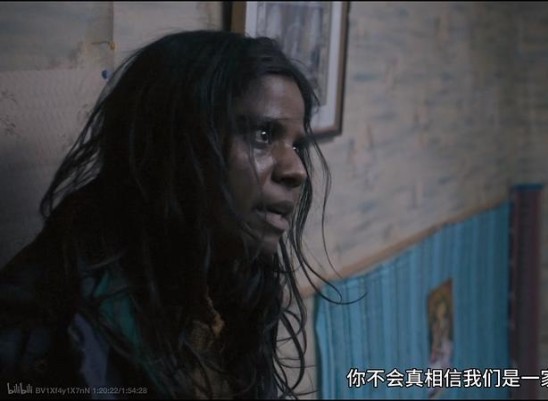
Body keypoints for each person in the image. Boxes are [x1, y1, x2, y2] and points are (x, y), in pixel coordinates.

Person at [0, 30, 332, 399]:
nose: (297, 170)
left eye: (297, 144)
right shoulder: (41, 335)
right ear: (174, 141)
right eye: (264, 134)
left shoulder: (234, 282)